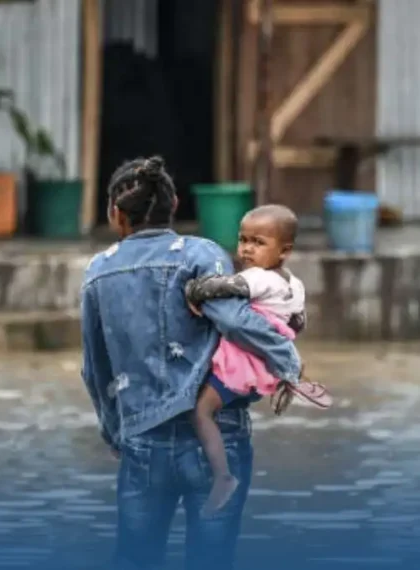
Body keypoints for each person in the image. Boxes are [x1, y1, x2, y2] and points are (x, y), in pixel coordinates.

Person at [80, 156, 304, 570]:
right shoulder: (203, 254)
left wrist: (116, 432)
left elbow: (95, 370)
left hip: (143, 438)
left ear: (115, 213)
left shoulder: (99, 270)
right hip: (219, 436)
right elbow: (235, 322)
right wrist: (288, 358)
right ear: (175, 203)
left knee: (135, 559)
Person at [184, 204, 333, 516]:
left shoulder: (259, 278)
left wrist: (194, 290)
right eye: (243, 240)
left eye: (258, 242)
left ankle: (222, 477)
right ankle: (287, 378)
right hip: (260, 365)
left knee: (201, 412)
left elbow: (227, 286)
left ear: (284, 251)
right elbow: (297, 323)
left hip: (241, 364)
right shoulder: (293, 284)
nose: (247, 249)